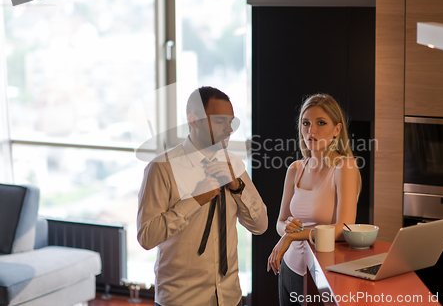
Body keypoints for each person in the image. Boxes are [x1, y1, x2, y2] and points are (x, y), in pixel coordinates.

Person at [137, 86, 268, 306]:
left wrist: (237, 187)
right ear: (194, 121)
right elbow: (147, 237)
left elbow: (260, 225)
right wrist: (195, 200)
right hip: (182, 300)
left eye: (231, 122)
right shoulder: (162, 168)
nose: (229, 129)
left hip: (229, 296)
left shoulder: (233, 164)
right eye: (220, 122)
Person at [267, 93, 361, 306]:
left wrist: (292, 236)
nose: (312, 131)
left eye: (321, 123)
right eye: (306, 123)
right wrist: (287, 231)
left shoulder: (344, 167)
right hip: (288, 268)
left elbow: (345, 227)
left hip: (321, 273)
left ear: (337, 129)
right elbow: (280, 223)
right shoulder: (295, 169)